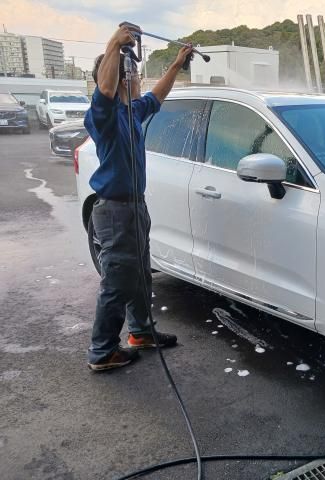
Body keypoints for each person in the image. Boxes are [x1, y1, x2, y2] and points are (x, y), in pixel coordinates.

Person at [85, 24, 193, 371]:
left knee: (140, 275)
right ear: (121, 79)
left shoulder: (132, 111)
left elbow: (157, 97)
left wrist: (176, 64)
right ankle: (102, 351)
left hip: (134, 208)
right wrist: (114, 44)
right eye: (132, 75)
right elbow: (104, 88)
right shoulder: (103, 115)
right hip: (115, 212)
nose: (139, 80)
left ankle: (141, 332)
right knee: (118, 282)